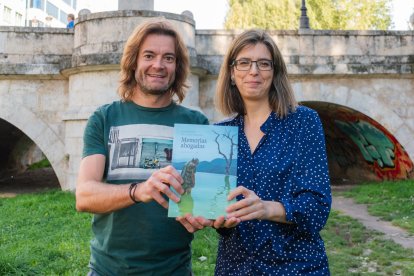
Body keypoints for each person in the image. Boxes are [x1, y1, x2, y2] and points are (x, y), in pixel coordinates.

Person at [75, 19, 211, 275]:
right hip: (108, 270)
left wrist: (208, 217)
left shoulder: (196, 123)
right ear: (134, 61)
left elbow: (203, 204)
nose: (158, 65)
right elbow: (84, 195)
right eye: (149, 55)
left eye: (168, 58)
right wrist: (139, 190)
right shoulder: (104, 118)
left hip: (174, 270)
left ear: (177, 66)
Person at [212, 29, 332, 275]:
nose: (253, 71)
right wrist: (219, 221)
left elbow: (318, 208)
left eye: (263, 64)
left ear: (274, 72)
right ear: (232, 73)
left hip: (296, 266)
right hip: (235, 267)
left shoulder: (303, 122)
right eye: (244, 63)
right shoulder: (220, 134)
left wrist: (267, 208)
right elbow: (219, 208)